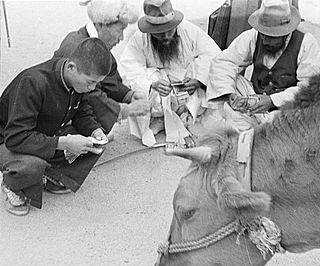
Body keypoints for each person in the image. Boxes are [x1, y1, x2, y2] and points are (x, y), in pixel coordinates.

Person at [0, 38, 112, 216]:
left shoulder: (76, 82)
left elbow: (82, 112)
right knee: (31, 166)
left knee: (93, 145)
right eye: (90, 82)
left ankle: (50, 175)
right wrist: (63, 143)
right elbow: (16, 137)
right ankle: (13, 184)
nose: (92, 88)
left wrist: (94, 130)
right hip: (8, 139)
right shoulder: (33, 82)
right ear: (71, 67)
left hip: (43, 133)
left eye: (96, 83)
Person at [207, 0, 320, 131]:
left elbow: (309, 87)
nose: (265, 40)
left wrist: (272, 100)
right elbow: (224, 61)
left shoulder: (306, 44)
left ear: (285, 32)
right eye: (263, 34)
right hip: (254, 103)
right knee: (229, 81)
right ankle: (248, 128)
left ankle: (251, 130)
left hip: (286, 109)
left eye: (271, 36)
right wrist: (230, 93)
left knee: (298, 118)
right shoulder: (253, 36)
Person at [120, 0, 221, 148]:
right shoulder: (139, 39)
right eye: (160, 33)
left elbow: (213, 55)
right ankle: (159, 119)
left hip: (187, 91)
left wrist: (198, 81)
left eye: (170, 30)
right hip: (160, 94)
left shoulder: (188, 30)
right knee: (145, 80)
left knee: (202, 67)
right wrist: (152, 85)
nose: (166, 36)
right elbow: (130, 68)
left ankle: (185, 114)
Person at [53, 0, 150, 134]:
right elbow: (90, 95)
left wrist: (129, 95)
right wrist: (127, 110)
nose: (121, 37)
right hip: (63, 114)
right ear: (100, 26)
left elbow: (110, 79)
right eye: (120, 29)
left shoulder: (93, 43)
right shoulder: (77, 47)